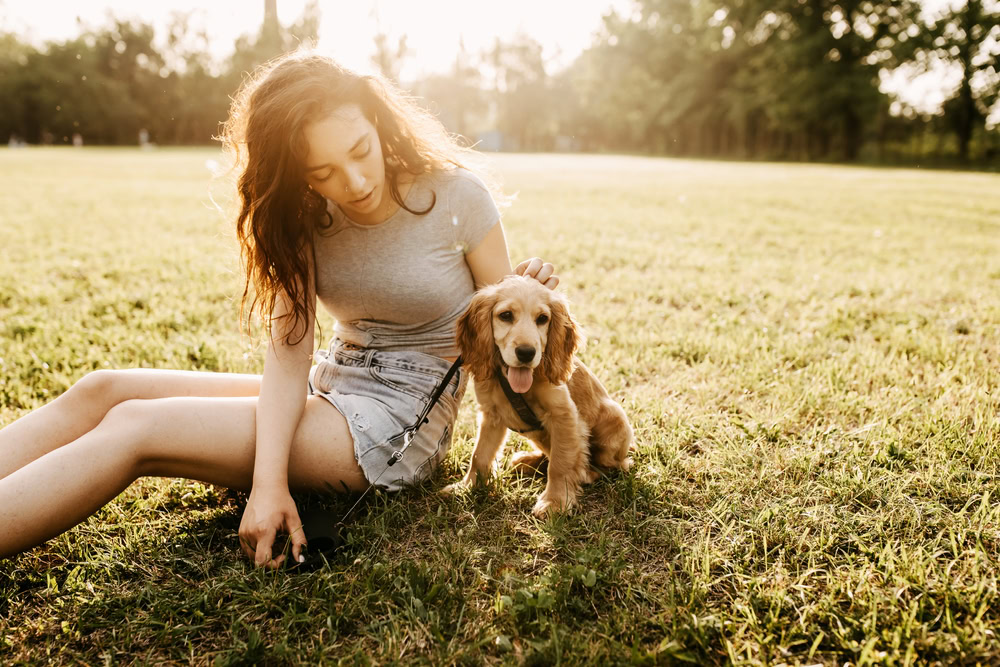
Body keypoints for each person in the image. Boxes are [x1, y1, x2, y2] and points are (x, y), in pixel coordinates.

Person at [0, 51, 558, 569]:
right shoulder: (302, 215)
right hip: (330, 385)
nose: (355, 182)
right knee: (104, 390)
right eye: (322, 172)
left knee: (136, 426)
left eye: (360, 151)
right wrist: (270, 482)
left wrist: (532, 300)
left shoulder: (458, 196)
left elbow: (505, 326)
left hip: (399, 426)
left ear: (379, 122)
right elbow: (291, 354)